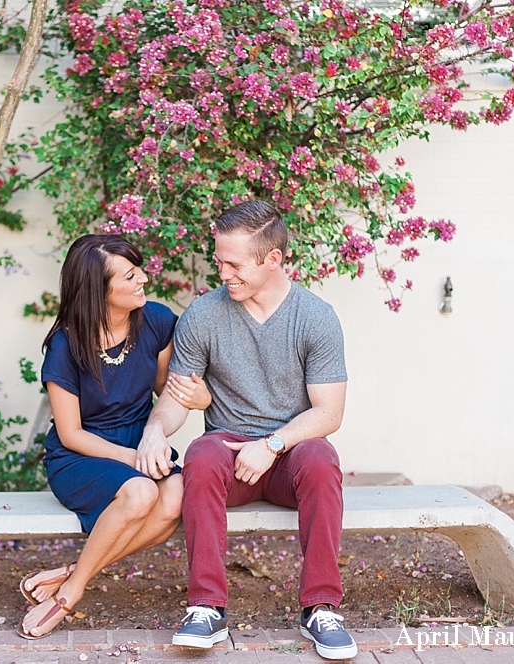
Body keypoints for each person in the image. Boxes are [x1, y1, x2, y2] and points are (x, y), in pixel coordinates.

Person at [135, 200, 356, 660]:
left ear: (272, 259)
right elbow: (176, 398)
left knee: (321, 456)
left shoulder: (315, 317)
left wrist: (272, 444)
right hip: (229, 452)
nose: (224, 273)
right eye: (219, 261)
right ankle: (206, 608)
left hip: (289, 456)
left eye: (234, 264)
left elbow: (329, 413)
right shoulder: (203, 315)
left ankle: (321, 608)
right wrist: (155, 431)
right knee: (200, 452)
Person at [18, 234, 211, 639]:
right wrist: (131, 458)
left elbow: (167, 395)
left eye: (138, 267)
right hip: (81, 456)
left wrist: (200, 397)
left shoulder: (156, 322)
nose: (143, 277)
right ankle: (70, 594)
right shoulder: (65, 345)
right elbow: (70, 434)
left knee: (177, 496)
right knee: (142, 493)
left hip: (139, 444)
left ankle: (73, 573)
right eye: (129, 274)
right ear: (98, 290)